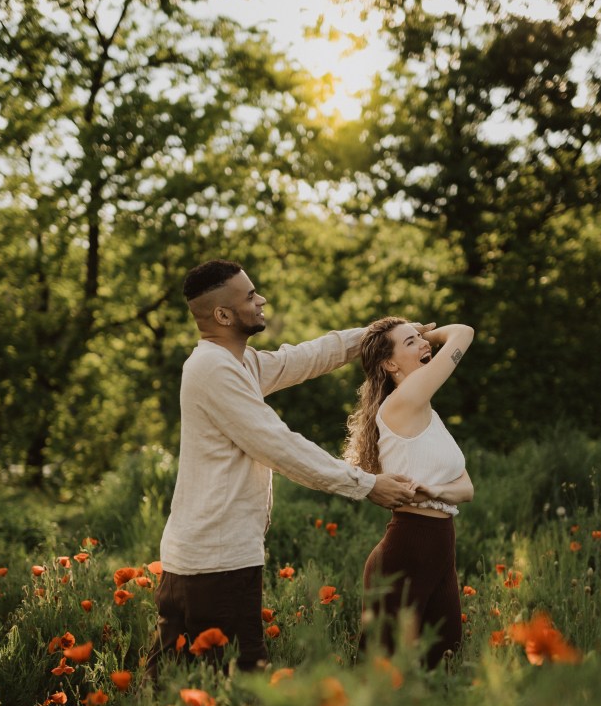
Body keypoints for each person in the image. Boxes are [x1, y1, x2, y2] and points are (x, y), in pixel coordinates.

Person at [145, 260, 419, 680]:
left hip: (203, 558)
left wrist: (384, 336)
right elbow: (279, 445)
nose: (261, 300)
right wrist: (366, 484)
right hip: (216, 565)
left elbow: (306, 357)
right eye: (250, 296)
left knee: (172, 688)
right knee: (237, 687)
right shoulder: (213, 369)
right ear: (222, 315)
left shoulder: (239, 364)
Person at [343, 316, 475, 670]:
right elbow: (464, 333)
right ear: (389, 364)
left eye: (421, 339)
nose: (423, 345)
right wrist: (431, 332)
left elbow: (466, 489)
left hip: (440, 550)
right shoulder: (404, 400)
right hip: (407, 551)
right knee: (384, 674)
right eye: (411, 342)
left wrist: (436, 489)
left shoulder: (427, 415)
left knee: (444, 665)